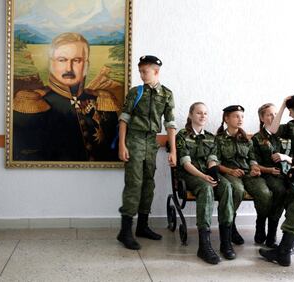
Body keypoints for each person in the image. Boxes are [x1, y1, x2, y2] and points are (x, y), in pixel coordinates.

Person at [12, 32, 120, 161]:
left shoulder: (103, 101)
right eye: (62, 60)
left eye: (77, 60)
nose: (69, 68)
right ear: (51, 64)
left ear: (86, 65)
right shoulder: (32, 104)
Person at [117, 55, 176, 250]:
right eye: (140, 71)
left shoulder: (166, 94)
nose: (141, 74)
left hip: (151, 142)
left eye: (145, 71)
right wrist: (122, 145)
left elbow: (170, 124)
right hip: (134, 140)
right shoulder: (136, 92)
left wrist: (173, 150)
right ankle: (125, 231)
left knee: (149, 184)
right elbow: (124, 119)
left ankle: (142, 226)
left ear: (156, 72)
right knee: (134, 183)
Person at [176, 102, 235, 264]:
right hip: (190, 175)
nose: (202, 116)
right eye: (199, 113)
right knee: (206, 188)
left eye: (205, 113)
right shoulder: (182, 135)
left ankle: (226, 242)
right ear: (190, 115)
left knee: (226, 186)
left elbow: (212, 160)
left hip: (206, 173)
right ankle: (204, 246)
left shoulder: (210, 137)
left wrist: (212, 173)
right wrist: (203, 176)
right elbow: (186, 164)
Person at [260, 88, 294, 266]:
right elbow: (272, 129)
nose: (289, 113)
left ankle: (284, 252)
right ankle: (284, 250)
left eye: (291, 110)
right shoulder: (293, 126)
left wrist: (289, 158)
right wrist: (281, 105)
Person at [216, 105, 272, 246]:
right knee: (238, 190)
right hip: (229, 173)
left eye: (242, 116)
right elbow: (215, 163)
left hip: (247, 174)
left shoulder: (246, 139)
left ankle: (260, 226)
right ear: (226, 119)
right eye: (236, 116)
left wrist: (254, 168)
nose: (240, 119)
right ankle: (231, 226)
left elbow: (252, 158)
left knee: (264, 193)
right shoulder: (218, 139)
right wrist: (230, 171)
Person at [251, 103, 293, 248]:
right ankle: (263, 225)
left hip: (287, 175)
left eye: (275, 114)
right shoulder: (257, 138)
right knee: (279, 190)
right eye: (269, 114)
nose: (273, 117)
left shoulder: (286, 135)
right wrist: (268, 170)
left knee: (289, 192)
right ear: (262, 118)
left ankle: (273, 234)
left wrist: (284, 157)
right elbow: (253, 163)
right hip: (266, 175)